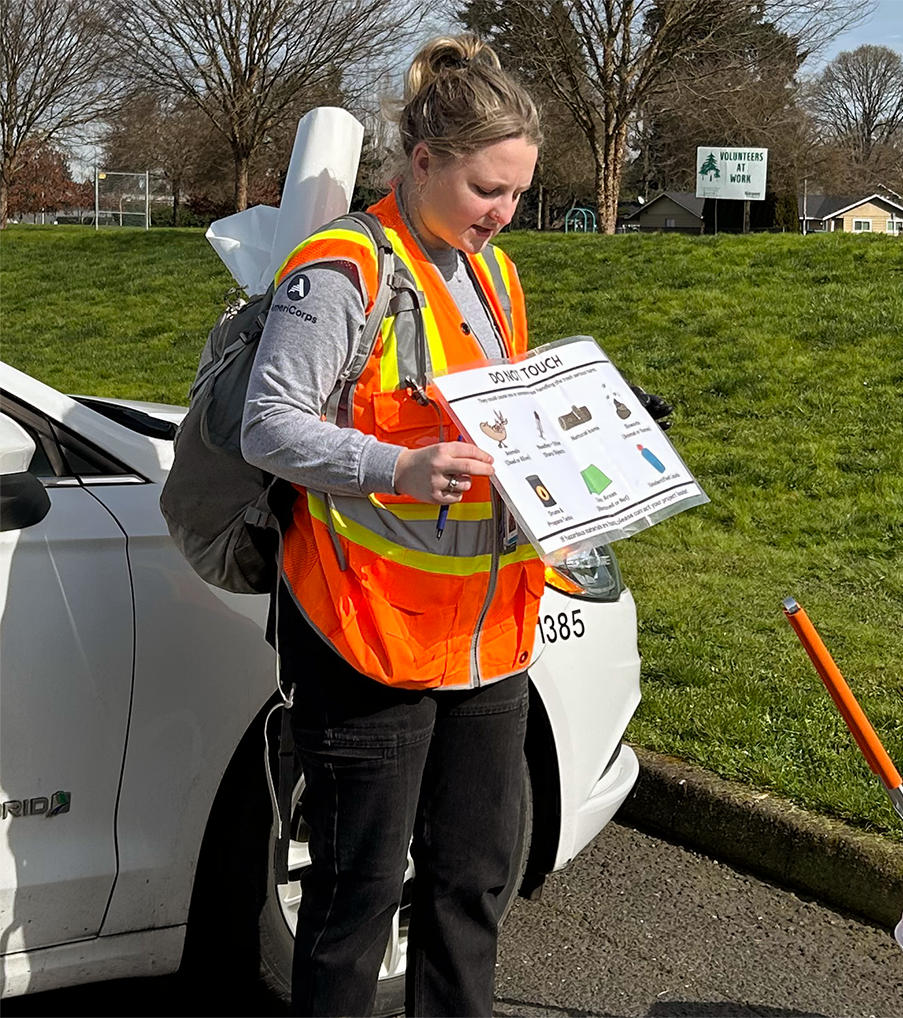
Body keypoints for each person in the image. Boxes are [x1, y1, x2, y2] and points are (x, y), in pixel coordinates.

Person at [241, 34, 544, 1018]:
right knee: (354, 901)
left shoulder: (492, 276)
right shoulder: (343, 270)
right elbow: (268, 423)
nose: (501, 218)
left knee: (470, 892)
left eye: (516, 196)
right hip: (365, 635)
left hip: (484, 643)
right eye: (485, 191)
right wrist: (397, 465)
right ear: (422, 164)